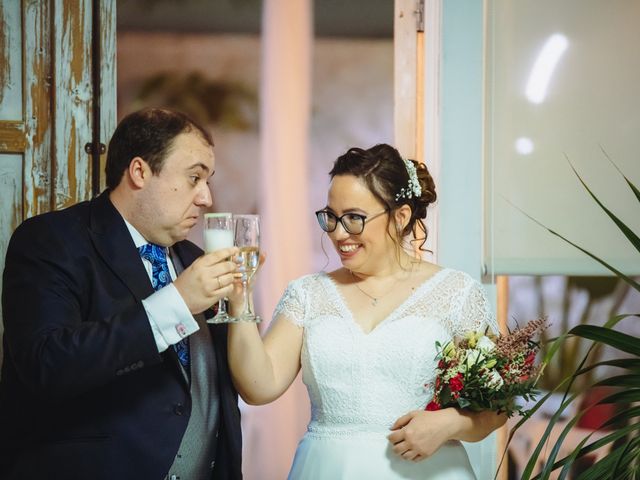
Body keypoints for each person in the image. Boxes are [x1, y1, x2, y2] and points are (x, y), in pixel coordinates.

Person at [227, 144, 506, 479]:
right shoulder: (308, 294)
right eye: (331, 217)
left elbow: (499, 403)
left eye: (354, 218)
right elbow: (259, 386)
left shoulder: (456, 292)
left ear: (400, 216)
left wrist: (451, 423)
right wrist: (239, 295)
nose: (338, 233)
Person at [0, 108, 243, 479]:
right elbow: (46, 365)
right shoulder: (51, 241)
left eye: (207, 181)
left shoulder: (194, 260)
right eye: (194, 178)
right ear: (139, 171)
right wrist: (176, 303)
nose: (206, 198)